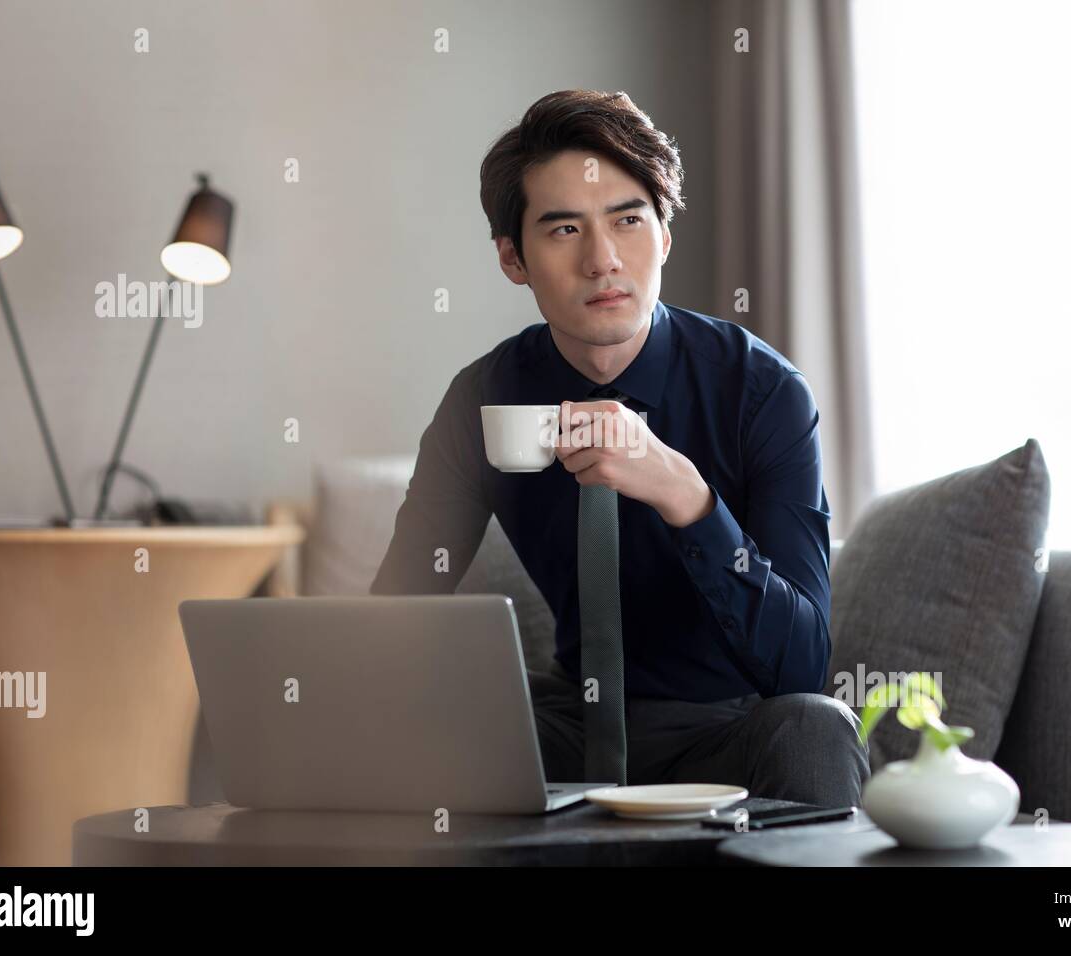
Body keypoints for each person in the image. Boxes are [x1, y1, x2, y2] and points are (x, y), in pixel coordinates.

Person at [370, 89, 868, 806]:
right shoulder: (483, 399)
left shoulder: (761, 392)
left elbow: (801, 665)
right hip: (574, 724)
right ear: (513, 258)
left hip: (726, 730)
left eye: (628, 220)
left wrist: (686, 497)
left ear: (664, 234)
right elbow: (395, 613)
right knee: (432, 726)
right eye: (564, 230)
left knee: (816, 727)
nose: (604, 261)